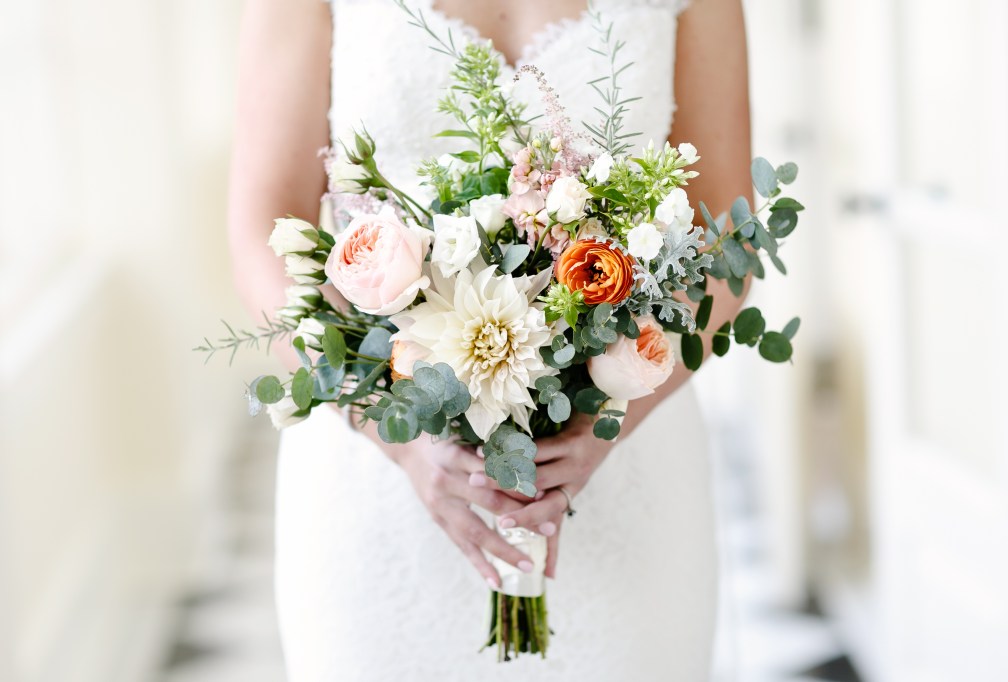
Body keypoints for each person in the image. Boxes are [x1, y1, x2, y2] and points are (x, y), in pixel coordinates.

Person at [229, 0, 751, 678]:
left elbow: (727, 236)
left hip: (625, 463)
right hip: (376, 460)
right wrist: (393, 427)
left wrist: (609, 412)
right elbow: (262, 229)